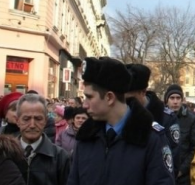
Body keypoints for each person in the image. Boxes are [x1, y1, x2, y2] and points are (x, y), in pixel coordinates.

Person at [67, 57, 175, 185]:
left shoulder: (150, 138)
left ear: (109, 98)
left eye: (89, 97)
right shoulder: (86, 137)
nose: (84, 105)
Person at [125, 64, 184, 181]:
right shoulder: (123, 114)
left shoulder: (167, 117)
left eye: (131, 98)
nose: (126, 102)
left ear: (143, 92)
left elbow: (173, 156)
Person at [16, 94, 70, 185]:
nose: (32, 125)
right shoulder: (5, 154)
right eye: (26, 119)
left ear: (45, 121)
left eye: (38, 119)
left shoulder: (60, 157)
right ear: (17, 121)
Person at [162, 83, 195, 185]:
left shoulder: (191, 119)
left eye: (178, 98)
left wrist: (182, 169)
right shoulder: (160, 118)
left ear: (182, 100)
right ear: (166, 100)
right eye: (172, 98)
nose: (175, 101)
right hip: (163, 173)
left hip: (184, 176)